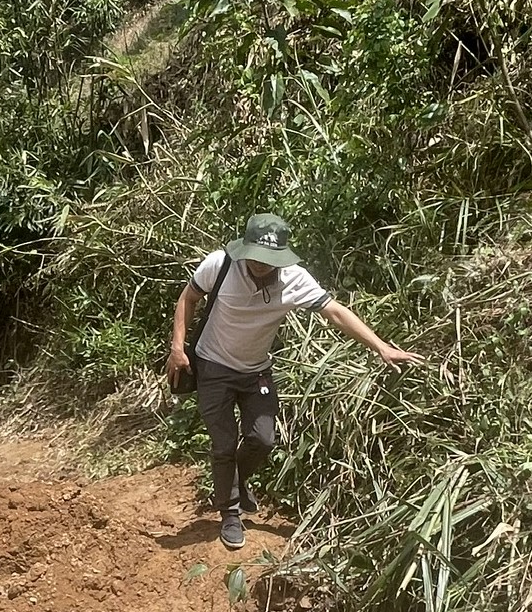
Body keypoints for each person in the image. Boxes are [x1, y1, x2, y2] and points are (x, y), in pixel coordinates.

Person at [166, 213, 424, 550]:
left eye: (269, 259)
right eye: (256, 255)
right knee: (224, 444)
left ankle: (236, 482)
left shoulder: (293, 279)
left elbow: (335, 311)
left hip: (256, 370)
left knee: (263, 438)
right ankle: (230, 513)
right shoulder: (220, 265)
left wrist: (381, 347)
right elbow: (188, 298)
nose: (261, 264)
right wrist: (177, 348)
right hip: (213, 366)